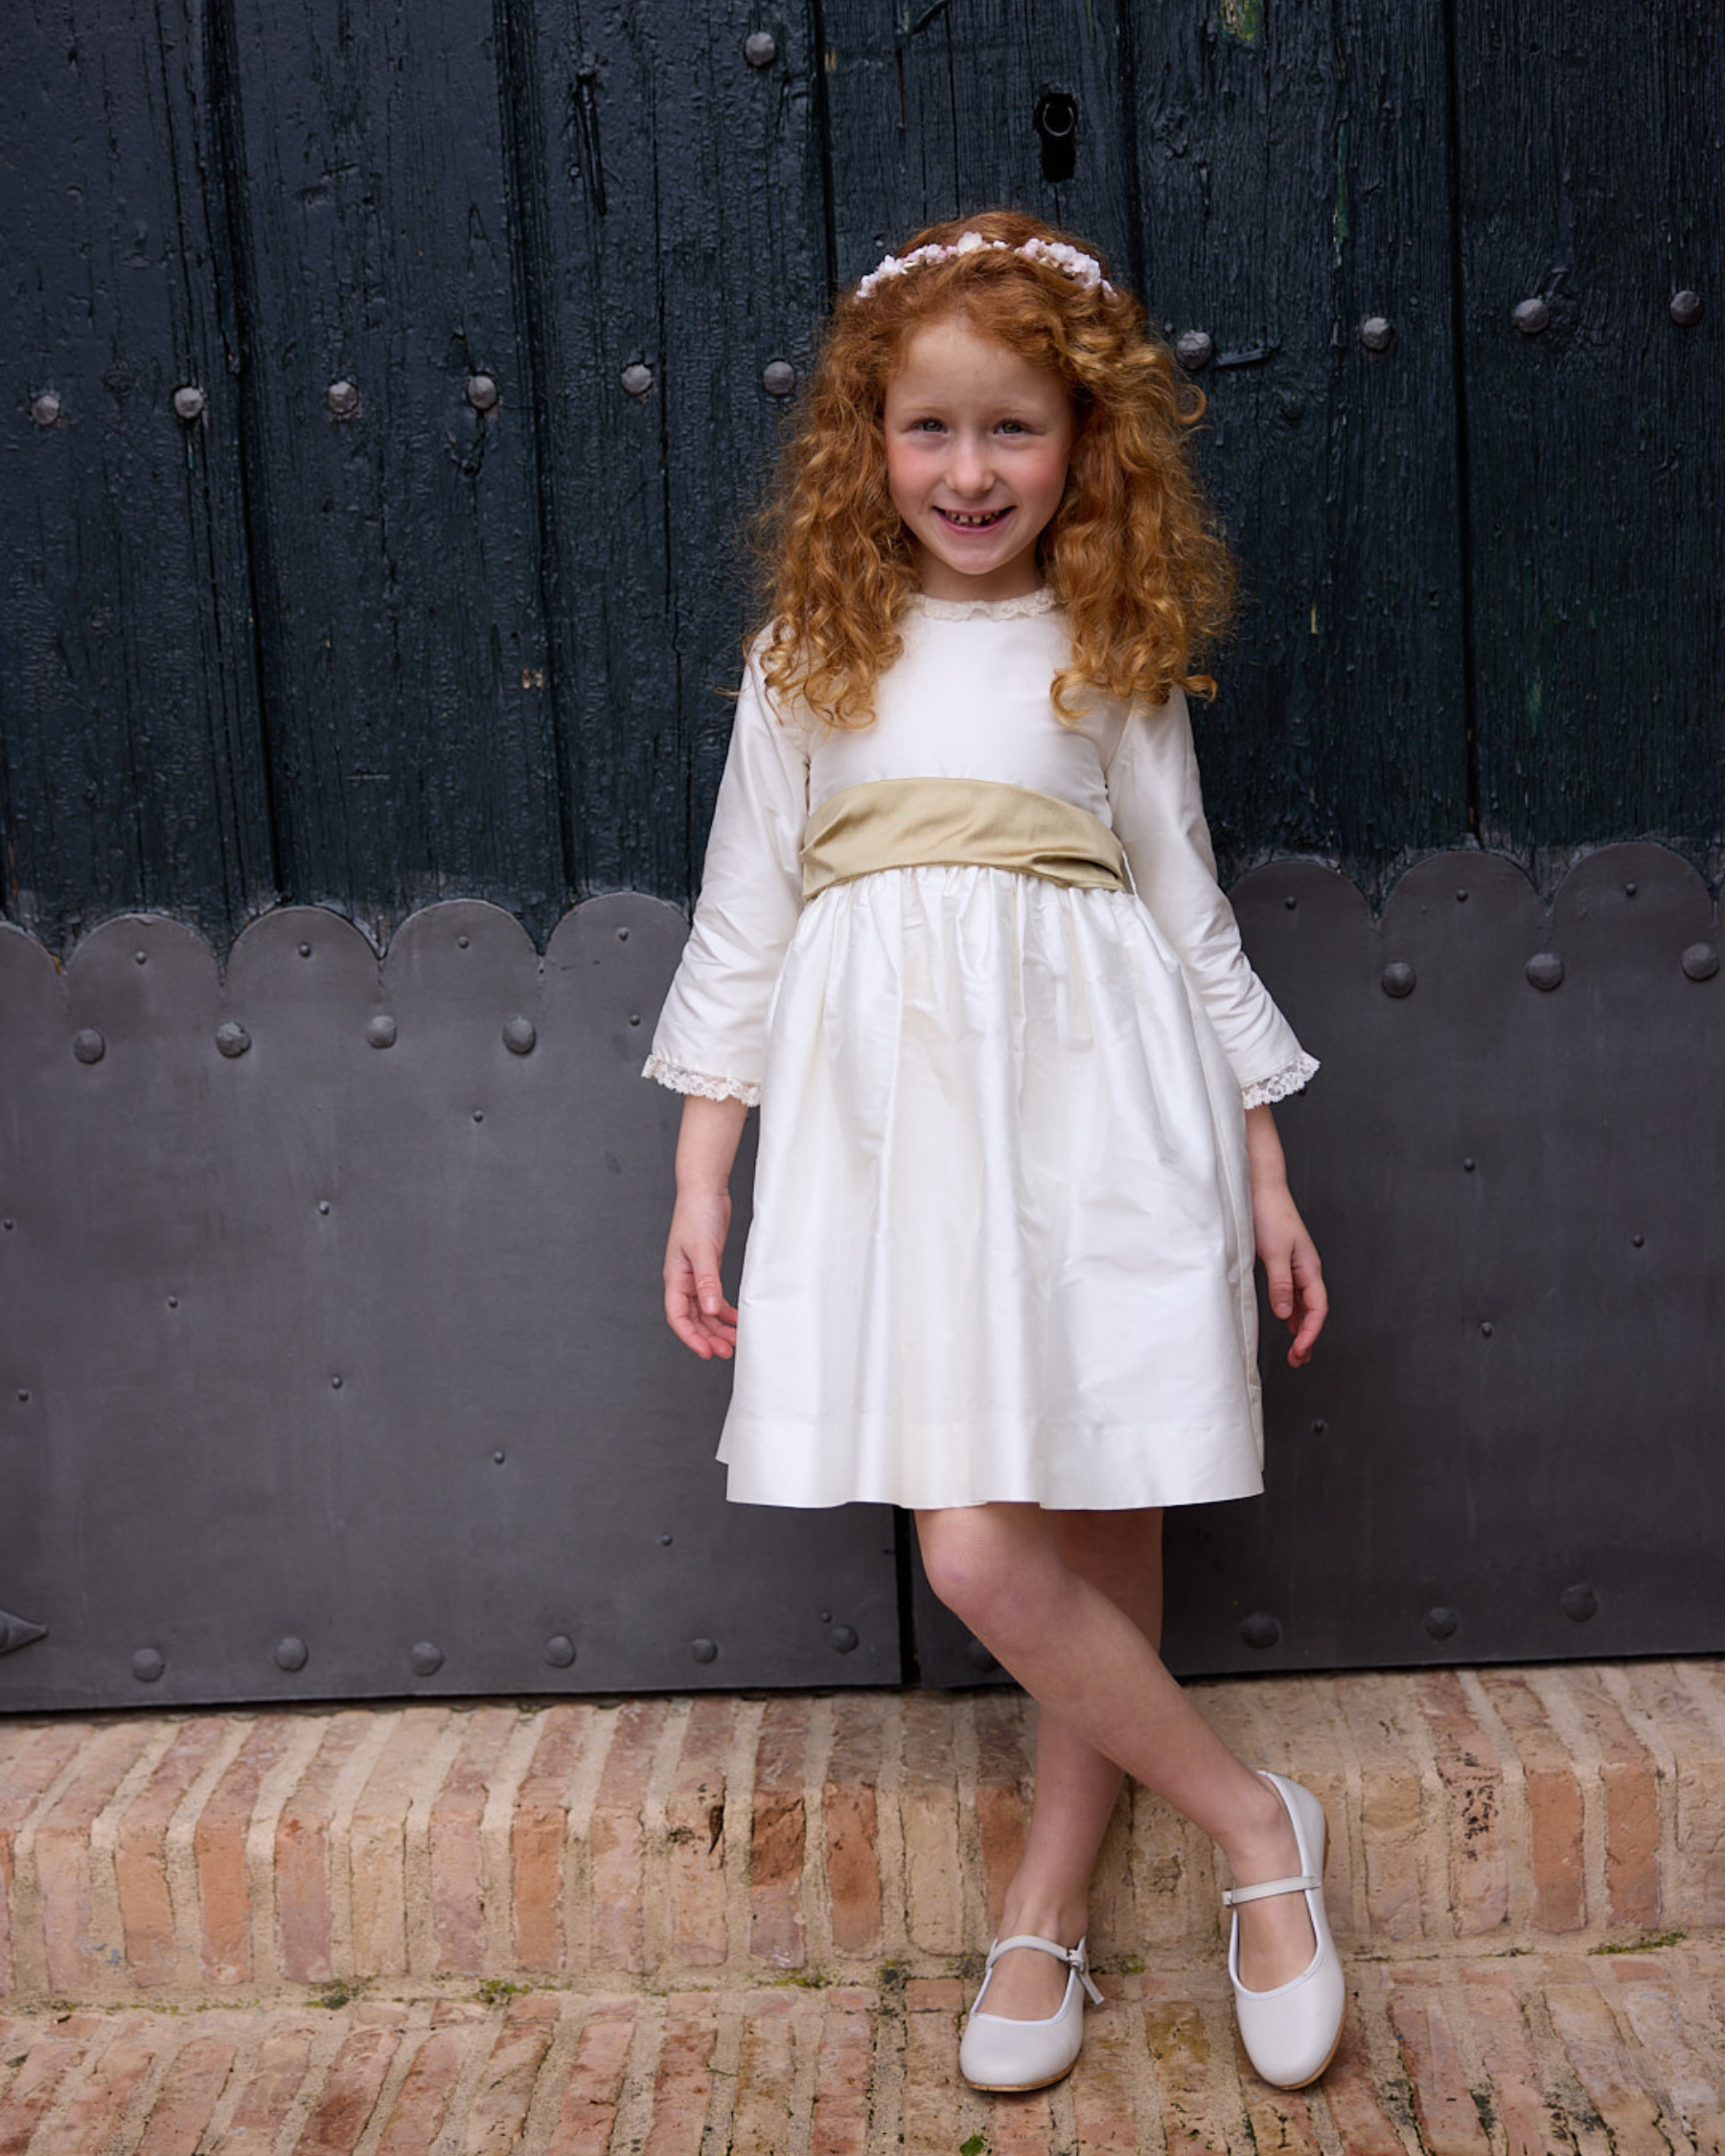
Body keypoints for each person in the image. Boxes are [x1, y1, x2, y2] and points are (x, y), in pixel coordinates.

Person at [644, 209, 1345, 2096]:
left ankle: (1046, 1892)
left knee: (1103, 1484)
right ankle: (1254, 1824)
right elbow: (744, 918)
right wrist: (707, 1172)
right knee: (980, 1544)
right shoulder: (813, 652)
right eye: (934, 430)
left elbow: (1189, 910)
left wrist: (1265, 1160)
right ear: (871, 442)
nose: (972, 473)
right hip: (902, 1128)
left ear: (1082, 443)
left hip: (1109, 1095)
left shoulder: (1102, 644)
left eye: (1015, 431)